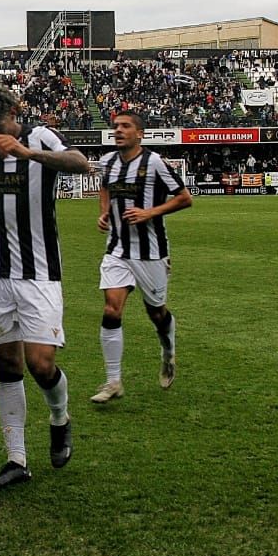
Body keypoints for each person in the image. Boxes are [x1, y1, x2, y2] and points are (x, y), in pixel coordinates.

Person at [0, 81, 91, 488]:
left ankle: (59, 417)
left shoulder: (38, 137)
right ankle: (16, 459)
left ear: (12, 114)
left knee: (40, 363)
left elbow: (80, 162)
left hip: (39, 273)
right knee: (8, 365)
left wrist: (29, 154)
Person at [92, 111, 192, 401]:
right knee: (112, 309)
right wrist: (103, 213)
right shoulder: (108, 162)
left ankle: (168, 350)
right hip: (117, 250)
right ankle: (113, 381)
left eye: (125, 126)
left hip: (151, 253)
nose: (118, 130)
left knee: (156, 312)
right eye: (116, 127)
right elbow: (104, 188)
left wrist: (150, 212)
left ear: (140, 133)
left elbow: (184, 198)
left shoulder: (155, 163)